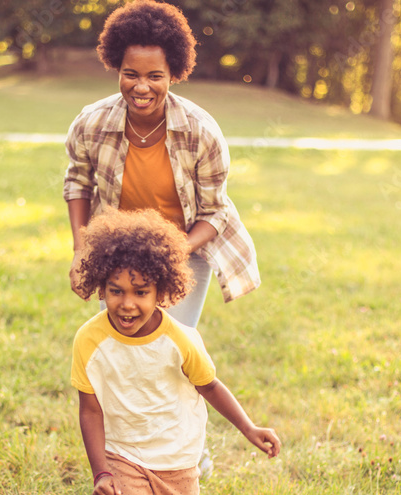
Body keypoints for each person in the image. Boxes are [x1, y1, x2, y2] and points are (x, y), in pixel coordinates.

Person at [70, 208, 281, 495]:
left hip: (175, 451)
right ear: (101, 288)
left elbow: (210, 386)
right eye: (116, 290)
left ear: (162, 291)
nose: (127, 303)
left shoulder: (180, 339)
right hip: (123, 453)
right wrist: (101, 471)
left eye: (141, 291)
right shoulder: (88, 341)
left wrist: (249, 428)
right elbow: (89, 410)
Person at [63, 0, 260, 330]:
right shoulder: (91, 123)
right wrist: (81, 250)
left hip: (184, 250)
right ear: (117, 68)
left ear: (173, 75)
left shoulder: (201, 131)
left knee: (169, 343)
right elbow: (78, 184)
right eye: (130, 74)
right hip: (115, 252)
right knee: (122, 341)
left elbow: (215, 212)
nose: (141, 87)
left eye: (155, 76)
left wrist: (170, 254)